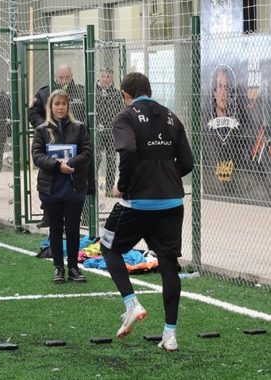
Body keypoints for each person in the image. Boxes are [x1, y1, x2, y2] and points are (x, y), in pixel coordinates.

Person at [100, 72, 193, 352]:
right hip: (172, 202)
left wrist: (124, 184)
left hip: (138, 202)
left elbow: (127, 150)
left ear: (125, 94)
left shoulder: (124, 117)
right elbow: (187, 162)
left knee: (108, 246)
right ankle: (170, 335)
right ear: (148, 91)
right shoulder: (170, 116)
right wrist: (165, 177)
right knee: (167, 264)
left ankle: (131, 304)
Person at [31, 90, 92, 283]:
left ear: (68, 106)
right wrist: (58, 165)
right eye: (56, 104)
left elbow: (88, 152)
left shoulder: (80, 127)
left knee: (73, 229)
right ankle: (58, 267)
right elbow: (37, 156)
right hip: (51, 188)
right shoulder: (41, 130)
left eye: (63, 104)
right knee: (55, 228)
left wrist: (71, 164)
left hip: (74, 186)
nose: (60, 107)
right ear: (51, 106)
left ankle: (73, 267)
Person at [29, 63, 88, 228]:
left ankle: (83, 214)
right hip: (52, 142)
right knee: (50, 179)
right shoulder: (45, 92)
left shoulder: (82, 92)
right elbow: (33, 113)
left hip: (74, 141)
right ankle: (48, 215)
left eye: (67, 77)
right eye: (61, 77)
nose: (64, 80)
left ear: (72, 75)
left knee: (78, 179)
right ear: (56, 77)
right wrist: (48, 126)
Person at [95, 68, 125, 197]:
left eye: (108, 76)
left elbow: (120, 110)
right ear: (99, 77)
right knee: (96, 159)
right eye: (103, 76)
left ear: (111, 78)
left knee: (111, 160)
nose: (105, 79)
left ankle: (109, 189)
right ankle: (94, 187)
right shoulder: (94, 92)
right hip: (97, 131)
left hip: (111, 131)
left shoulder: (116, 94)